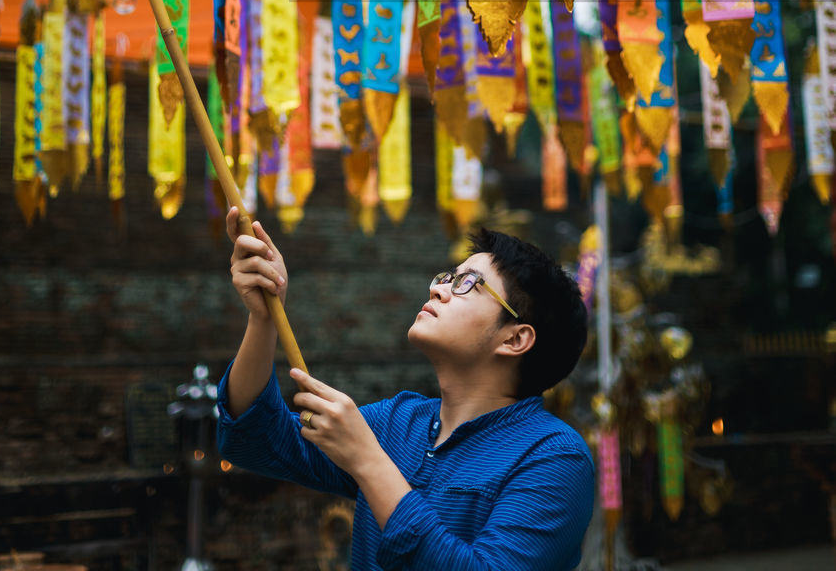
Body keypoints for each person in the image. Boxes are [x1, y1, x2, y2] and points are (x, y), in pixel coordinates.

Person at [217, 207, 594, 571]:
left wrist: (367, 462)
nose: (438, 289)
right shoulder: (398, 422)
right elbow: (256, 439)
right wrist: (265, 316)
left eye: (468, 284)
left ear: (515, 339)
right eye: (447, 276)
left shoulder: (554, 457)